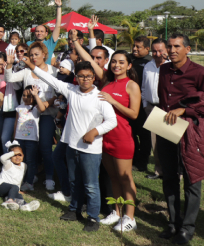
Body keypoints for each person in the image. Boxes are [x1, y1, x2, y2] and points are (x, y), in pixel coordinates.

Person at [22, 57, 117, 232]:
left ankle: (93, 217)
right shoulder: (71, 90)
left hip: (91, 149)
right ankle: (74, 209)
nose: (85, 79)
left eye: (89, 76)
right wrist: (30, 65)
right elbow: (49, 78)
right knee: (74, 181)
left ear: (94, 78)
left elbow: (112, 121)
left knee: (90, 184)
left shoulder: (100, 97)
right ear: (77, 77)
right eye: (81, 76)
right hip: (72, 145)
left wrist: (95, 132)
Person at [156, 34, 204, 245]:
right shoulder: (164, 69)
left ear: (188, 49)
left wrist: (186, 109)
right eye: (169, 46)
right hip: (166, 126)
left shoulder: (200, 73)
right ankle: (173, 223)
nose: (172, 50)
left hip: (190, 130)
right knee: (169, 177)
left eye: (176, 46)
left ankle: (187, 227)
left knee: (192, 179)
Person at [74, 38, 141, 232]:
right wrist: (76, 42)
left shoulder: (131, 85)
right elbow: (91, 60)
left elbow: (134, 114)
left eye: (121, 62)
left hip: (122, 138)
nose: (116, 65)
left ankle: (130, 217)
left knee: (125, 178)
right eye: (114, 61)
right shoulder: (106, 81)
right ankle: (117, 212)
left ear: (129, 65)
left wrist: (113, 101)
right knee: (113, 177)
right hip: (105, 137)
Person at [5, 42, 59, 191]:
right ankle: (31, 175)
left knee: (45, 147)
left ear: (44, 55)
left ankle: (49, 177)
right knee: (29, 148)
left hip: (47, 114)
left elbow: (57, 93)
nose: (34, 57)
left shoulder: (53, 71)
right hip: (28, 116)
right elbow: (10, 78)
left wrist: (45, 104)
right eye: (31, 55)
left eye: (37, 54)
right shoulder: (27, 71)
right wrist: (9, 65)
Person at [141, 39, 169, 180]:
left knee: (171, 141)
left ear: (167, 51)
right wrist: (146, 105)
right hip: (152, 107)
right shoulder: (148, 66)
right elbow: (144, 87)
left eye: (160, 51)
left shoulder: (172, 66)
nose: (157, 54)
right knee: (155, 142)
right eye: (154, 51)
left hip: (169, 108)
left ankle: (176, 172)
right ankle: (159, 171)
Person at [13, 85, 47, 190]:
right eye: (23, 95)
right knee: (19, 159)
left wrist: (36, 95)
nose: (25, 98)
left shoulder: (36, 108)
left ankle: (29, 182)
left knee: (30, 161)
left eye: (29, 96)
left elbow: (42, 108)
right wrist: (14, 138)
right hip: (19, 139)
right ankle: (20, 179)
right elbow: (16, 123)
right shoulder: (19, 107)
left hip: (31, 140)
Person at [130, 35, 153, 172]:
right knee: (131, 133)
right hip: (129, 104)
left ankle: (142, 162)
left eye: (138, 47)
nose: (134, 49)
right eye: (134, 46)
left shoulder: (151, 62)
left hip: (145, 105)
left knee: (145, 135)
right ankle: (133, 158)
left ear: (147, 49)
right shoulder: (128, 59)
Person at [0, 141, 40, 211]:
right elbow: (2, 158)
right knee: (14, 187)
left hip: (13, 189)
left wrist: (18, 190)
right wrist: (13, 152)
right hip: (1, 187)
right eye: (14, 155)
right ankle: (9, 201)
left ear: (23, 155)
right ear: (10, 156)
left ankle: (25, 206)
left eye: (20, 155)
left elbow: (20, 179)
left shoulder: (24, 165)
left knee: (19, 196)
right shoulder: (8, 163)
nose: (17, 157)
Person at [27, 0, 62, 64]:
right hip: (33, 72)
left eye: (42, 31)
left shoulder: (50, 43)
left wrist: (59, 7)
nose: (39, 33)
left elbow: (58, 26)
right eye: (37, 31)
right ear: (34, 33)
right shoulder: (29, 44)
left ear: (46, 33)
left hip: (46, 72)